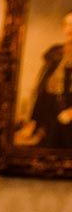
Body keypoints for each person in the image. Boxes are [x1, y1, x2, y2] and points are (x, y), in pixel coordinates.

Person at [16, 10, 72, 149]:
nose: (69, 29)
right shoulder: (55, 53)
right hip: (51, 115)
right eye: (67, 24)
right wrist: (34, 120)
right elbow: (42, 89)